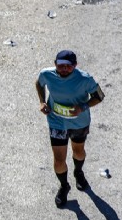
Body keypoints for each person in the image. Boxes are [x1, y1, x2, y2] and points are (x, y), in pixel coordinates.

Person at [35, 50, 105, 208]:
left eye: (69, 66)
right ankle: (64, 186)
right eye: (61, 66)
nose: (64, 69)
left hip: (79, 123)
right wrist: (41, 101)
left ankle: (78, 172)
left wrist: (83, 107)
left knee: (78, 151)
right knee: (59, 160)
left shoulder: (85, 79)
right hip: (56, 121)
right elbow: (39, 83)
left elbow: (99, 96)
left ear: (75, 65)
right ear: (55, 64)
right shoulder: (47, 74)